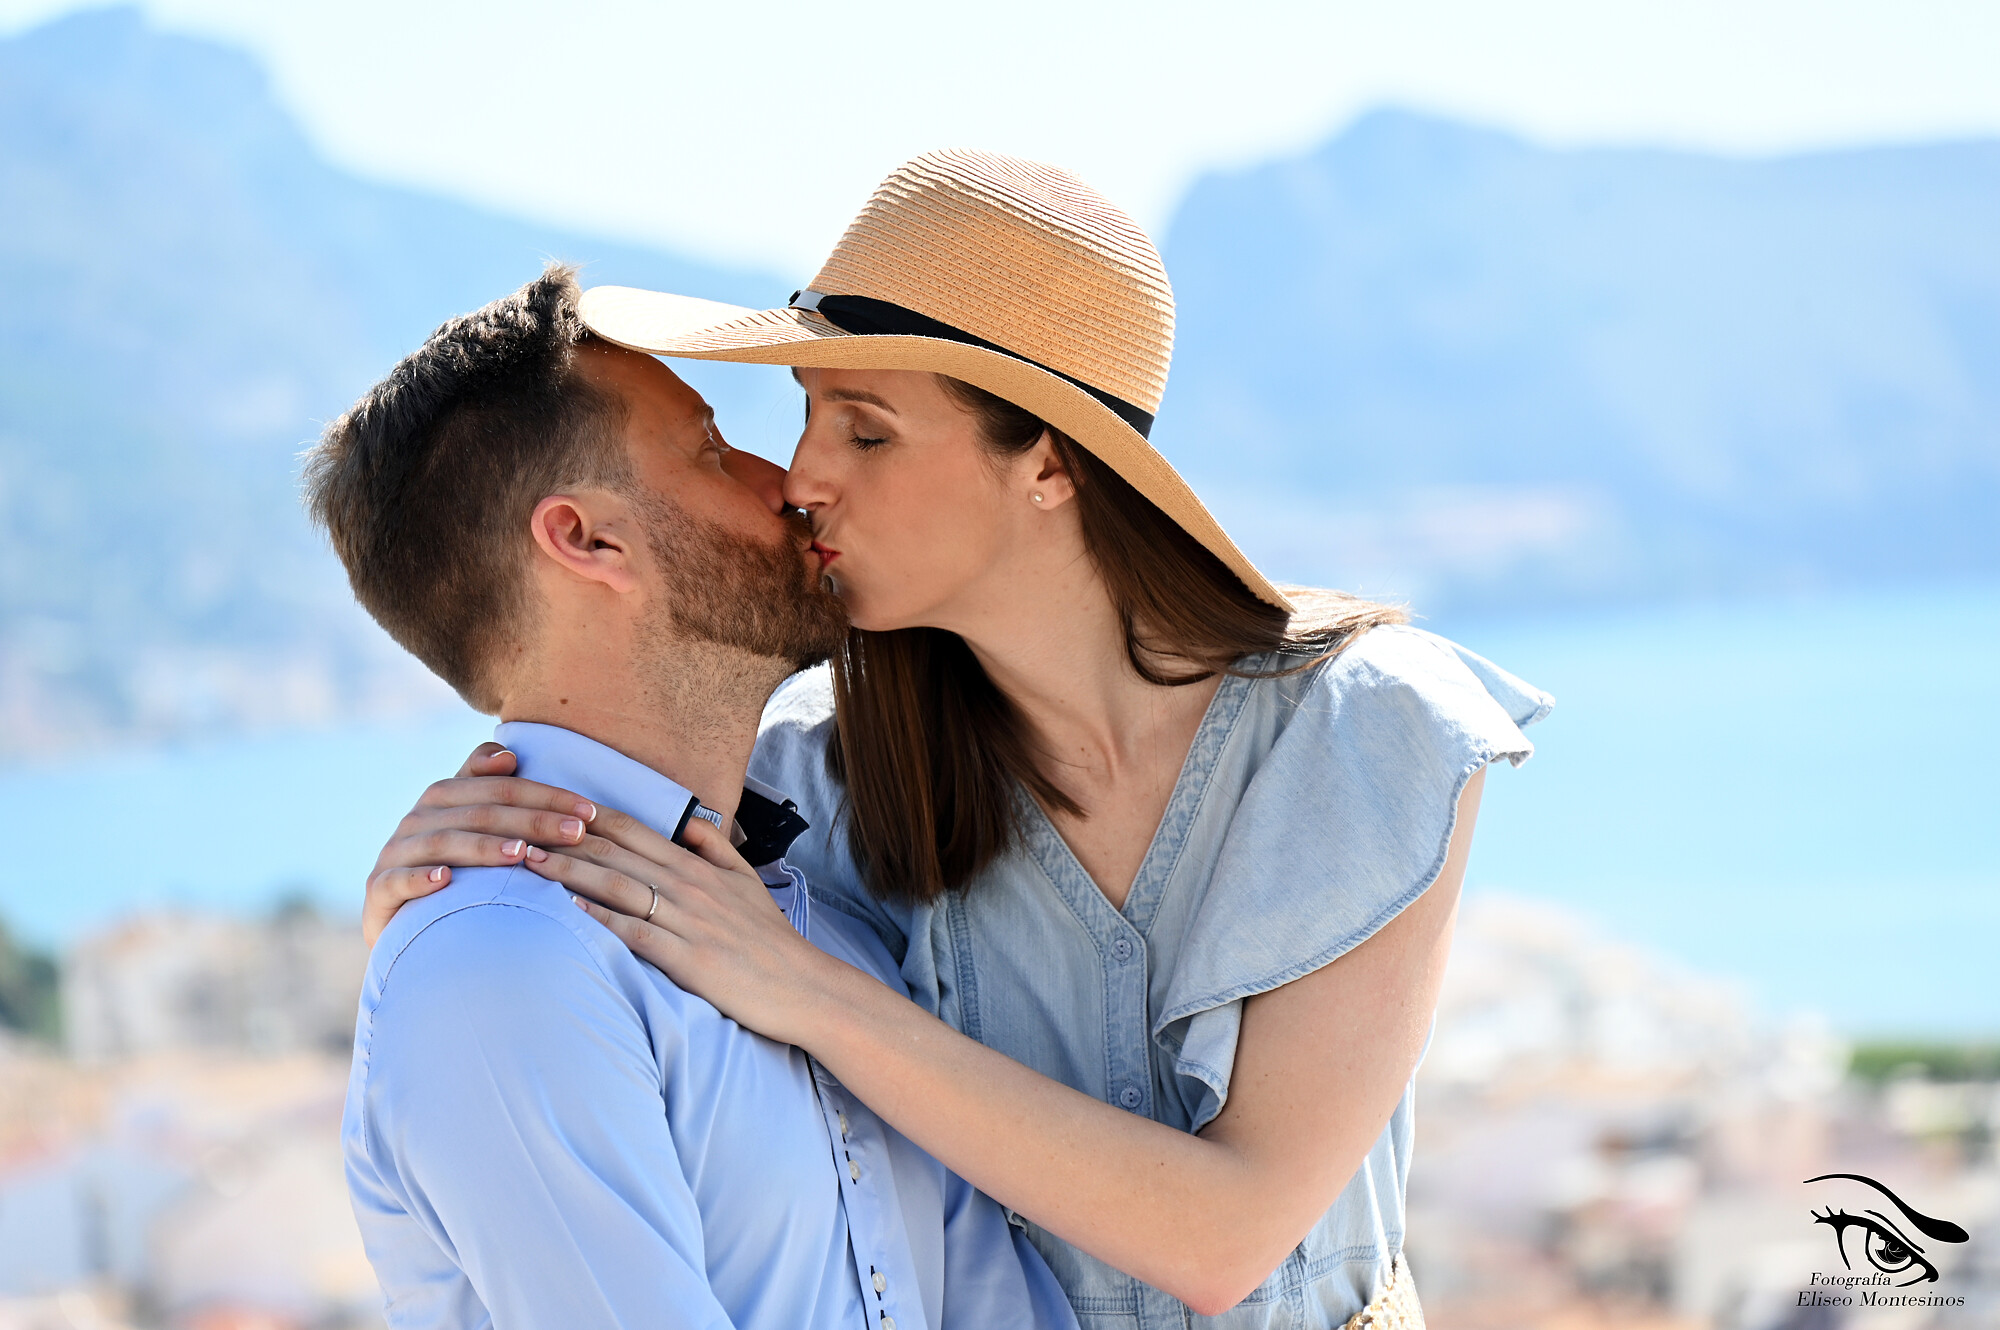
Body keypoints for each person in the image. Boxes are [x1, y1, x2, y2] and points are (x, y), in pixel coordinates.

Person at [362, 151, 1553, 1328]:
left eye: (865, 432)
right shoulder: (815, 785)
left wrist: (814, 997)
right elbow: (539, 960)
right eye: (806, 418)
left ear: (1045, 460)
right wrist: (425, 901)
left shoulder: (1359, 732)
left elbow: (1228, 1236)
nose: (800, 478)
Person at [305, 266, 1077, 1330]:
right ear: (585, 539)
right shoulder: (502, 966)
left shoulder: (814, 927)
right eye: (711, 448)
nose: (787, 484)